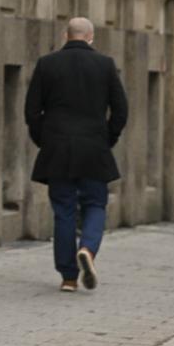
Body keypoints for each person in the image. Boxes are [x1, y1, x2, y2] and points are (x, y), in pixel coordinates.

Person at [24, 16, 128, 293]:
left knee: (64, 211)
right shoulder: (105, 65)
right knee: (95, 204)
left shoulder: (47, 64)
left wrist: (44, 140)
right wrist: (107, 139)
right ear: (91, 37)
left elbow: (32, 111)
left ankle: (68, 277)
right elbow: (121, 111)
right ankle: (88, 250)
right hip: (94, 147)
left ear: (65, 36)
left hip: (57, 148)